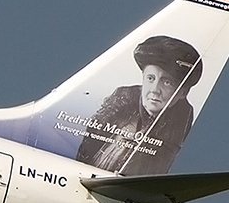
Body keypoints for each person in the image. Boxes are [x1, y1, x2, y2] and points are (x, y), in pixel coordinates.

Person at [75, 35, 203, 175]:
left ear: (182, 93)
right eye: (150, 78)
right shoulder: (124, 97)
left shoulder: (183, 115)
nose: (155, 89)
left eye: (166, 82)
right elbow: (92, 136)